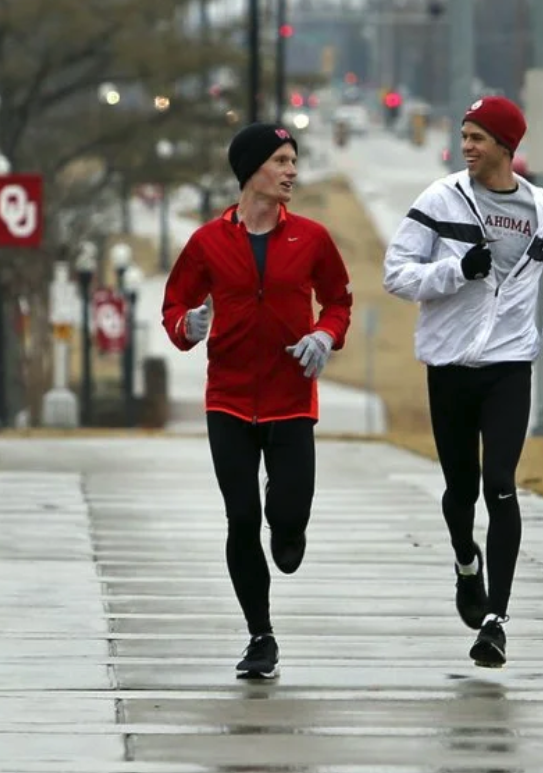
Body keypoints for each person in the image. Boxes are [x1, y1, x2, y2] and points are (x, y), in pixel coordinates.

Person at [381, 96, 543, 668]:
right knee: (460, 490)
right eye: (464, 135)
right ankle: (464, 562)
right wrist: (456, 271)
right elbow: (396, 274)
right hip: (449, 367)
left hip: (508, 366)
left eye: (477, 137)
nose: (467, 146)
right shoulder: (441, 199)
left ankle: (496, 621)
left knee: (500, 482)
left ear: (506, 145)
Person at [161, 122, 353, 680]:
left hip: (293, 398)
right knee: (241, 517)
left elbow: (338, 300)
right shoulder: (207, 243)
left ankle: (288, 527)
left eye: (294, 161)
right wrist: (189, 326)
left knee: (285, 521)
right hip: (229, 400)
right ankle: (260, 636)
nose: (292, 170)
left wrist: (325, 335)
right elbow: (175, 306)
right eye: (281, 161)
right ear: (252, 171)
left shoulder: (312, 238)